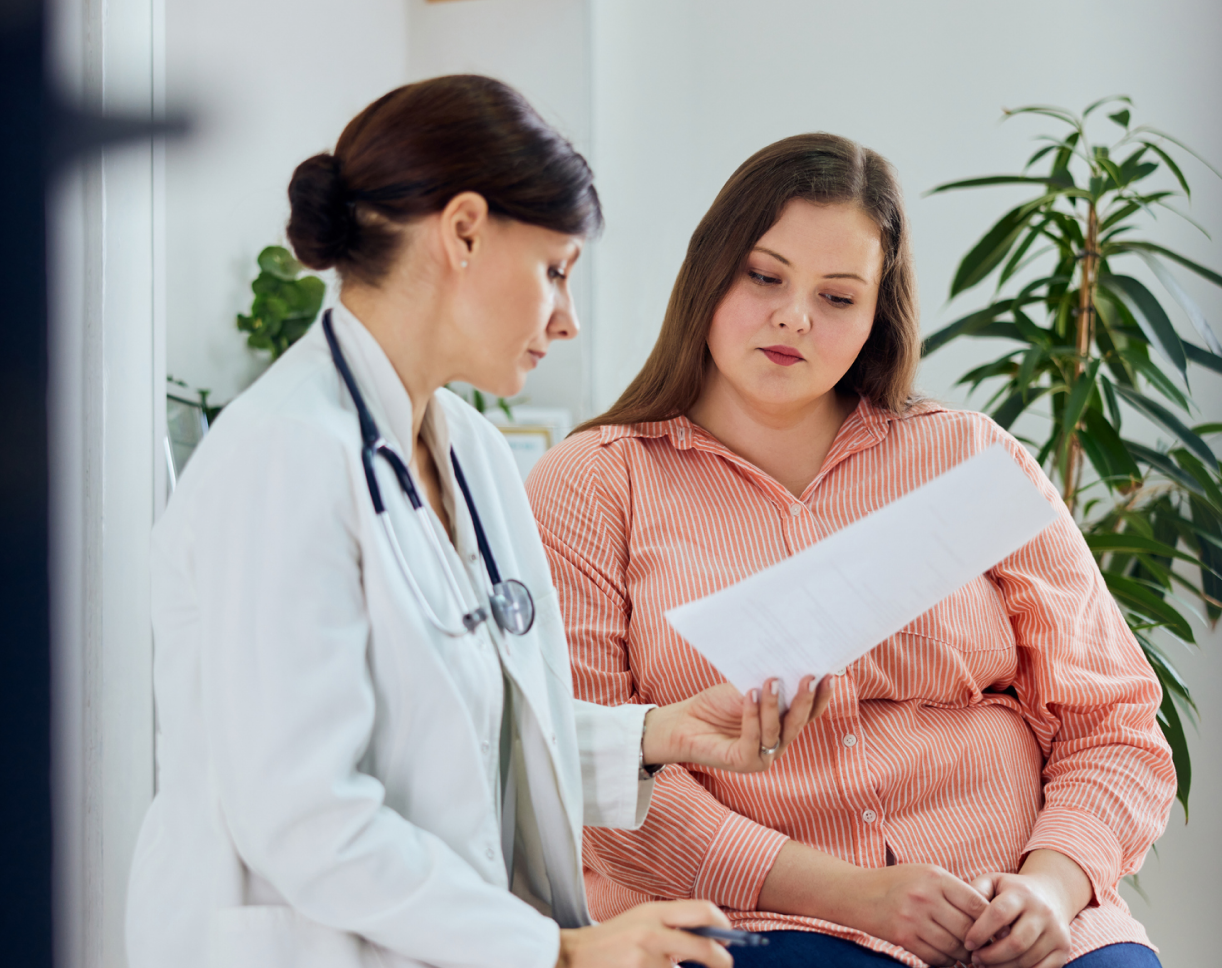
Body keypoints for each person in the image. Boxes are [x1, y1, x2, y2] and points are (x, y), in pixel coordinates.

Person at [125, 77, 833, 968]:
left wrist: (657, 734)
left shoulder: (473, 454)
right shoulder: (283, 455)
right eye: (555, 272)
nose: (569, 321)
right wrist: (563, 951)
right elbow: (307, 817)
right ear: (463, 231)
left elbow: (466, 724)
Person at [525, 134, 1177, 968]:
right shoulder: (591, 483)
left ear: (877, 315)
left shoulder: (969, 460)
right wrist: (854, 895)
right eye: (765, 276)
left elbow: (1113, 720)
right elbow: (590, 775)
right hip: (762, 921)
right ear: (709, 273)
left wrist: (1048, 889)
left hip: (1016, 912)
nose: (794, 316)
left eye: (838, 297)